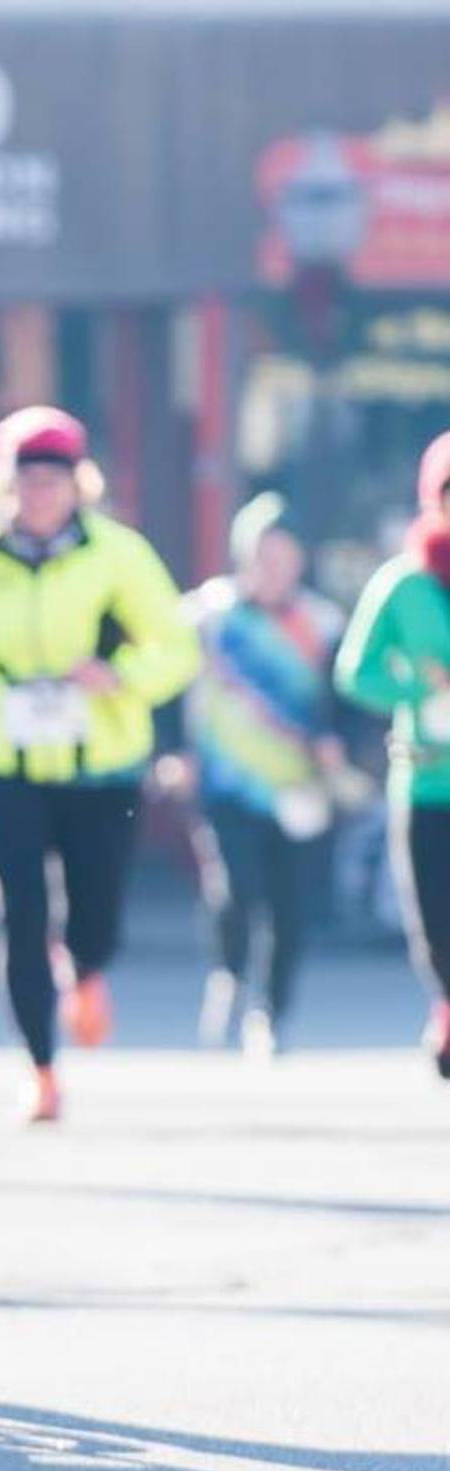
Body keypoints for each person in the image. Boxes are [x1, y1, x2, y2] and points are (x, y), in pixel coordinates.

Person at [0, 406, 199, 1122]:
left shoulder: (119, 554)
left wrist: (121, 674)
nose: (39, 494)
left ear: (79, 485)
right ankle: (40, 1068)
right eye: (25, 479)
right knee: (18, 912)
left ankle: (90, 968)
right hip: (2, 759)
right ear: (2, 484)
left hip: (102, 762)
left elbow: (177, 647)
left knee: (94, 909)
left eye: (53, 479)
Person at [168, 493, 348, 1059]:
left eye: (283, 552)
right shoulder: (208, 616)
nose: (273, 563)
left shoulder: (322, 623)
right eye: (262, 552)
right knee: (235, 886)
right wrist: (174, 751)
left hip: (299, 787)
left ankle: (271, 1011)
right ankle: (229, 973)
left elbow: (345, 703)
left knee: (291, 904)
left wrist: (337, 745)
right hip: (226, 780)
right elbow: (170, 687)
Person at [334, 431, 450, 1080]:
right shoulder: (402, 584)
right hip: (429, 777)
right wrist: (414, 684)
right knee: (435, 918)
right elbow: (355, 672)